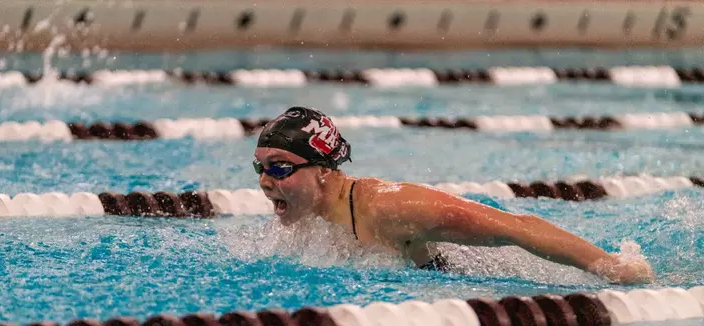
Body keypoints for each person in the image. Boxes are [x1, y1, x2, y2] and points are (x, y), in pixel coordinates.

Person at [253, 106, 655, 285]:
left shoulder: (393, 208)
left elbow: (517, 227)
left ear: (323, 170)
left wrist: (610, 266)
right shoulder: (304, 215)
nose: (266, 181)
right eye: (261, 168)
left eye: (280, 167)